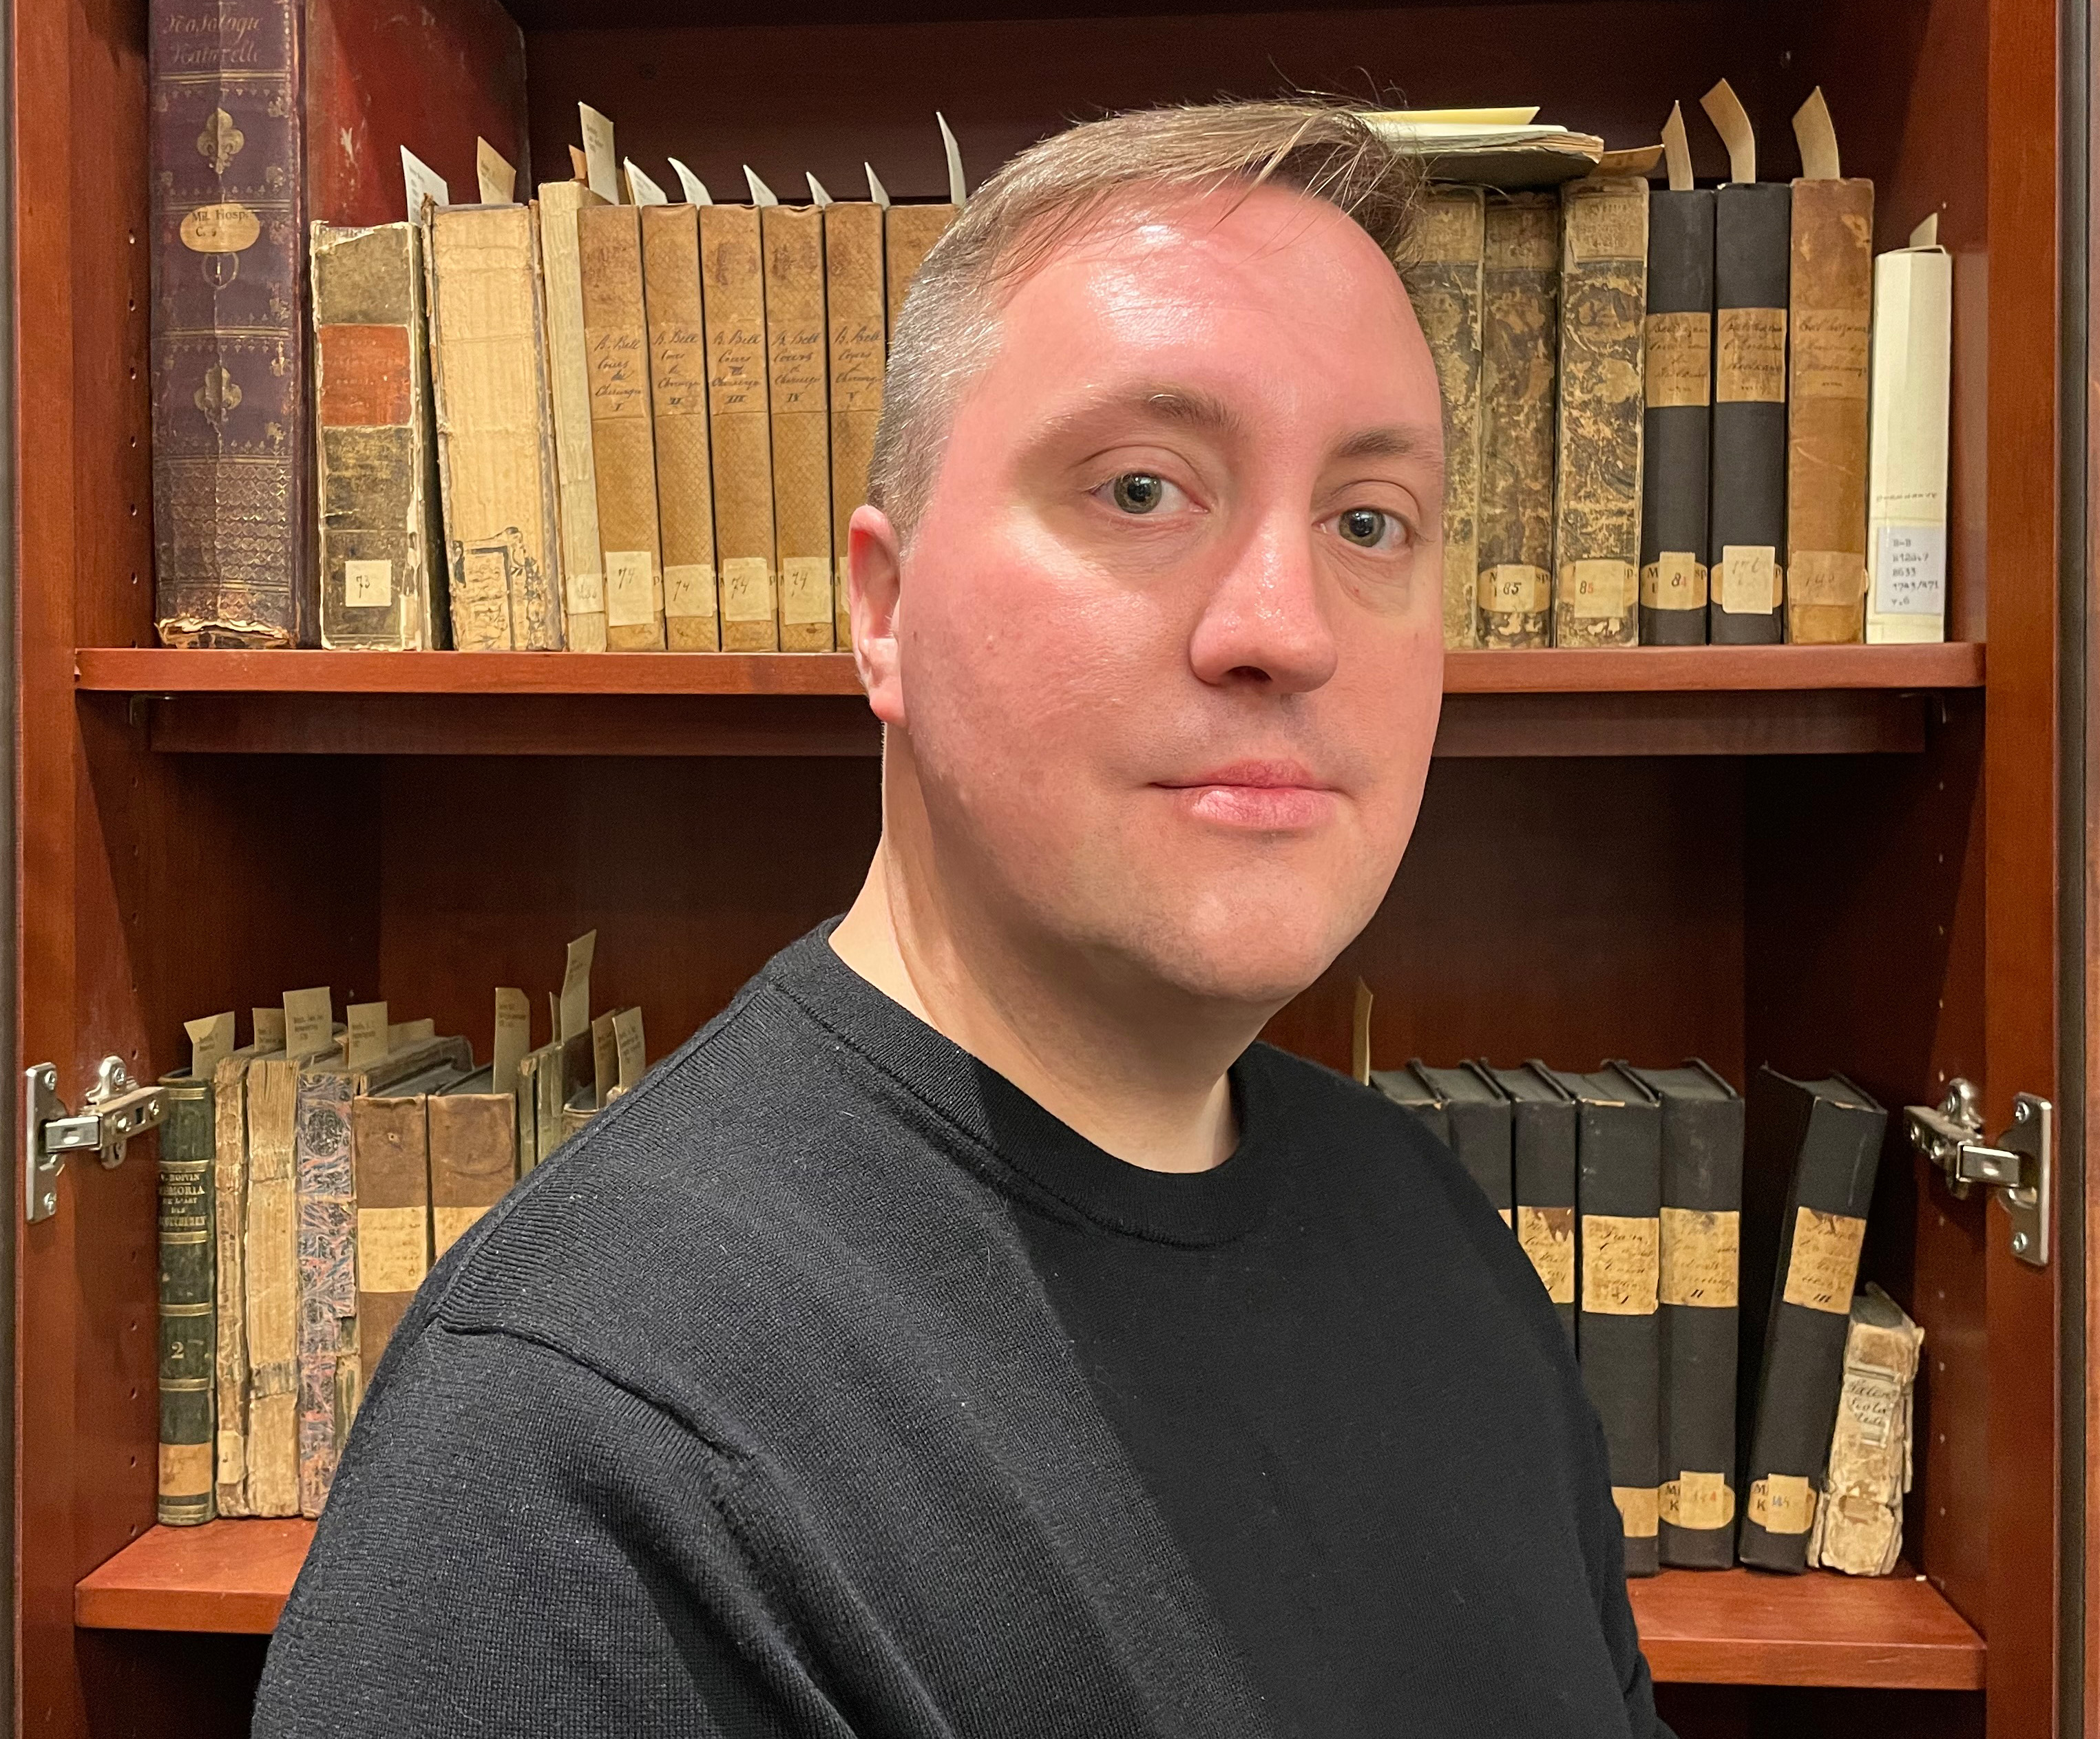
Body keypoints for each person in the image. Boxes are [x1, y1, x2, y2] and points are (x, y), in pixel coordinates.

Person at [255, 100, 1669, 1738]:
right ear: (883, 608)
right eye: (1143, 488)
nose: (1281, 626)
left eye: (1369, 523)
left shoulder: (1426, 1232)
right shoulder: (575, 1446)